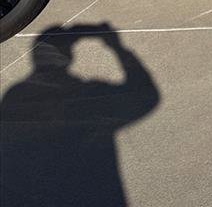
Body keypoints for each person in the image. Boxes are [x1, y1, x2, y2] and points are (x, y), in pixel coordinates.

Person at [1, 23, 160, 207]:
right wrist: (118, 48)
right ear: (69, 56)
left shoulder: (16, 94)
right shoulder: (86, 94)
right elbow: (147, 97)